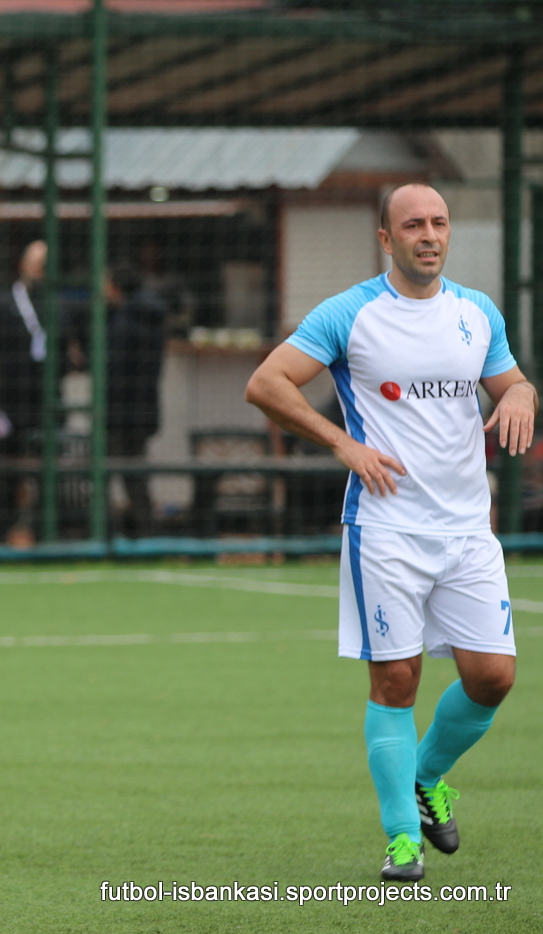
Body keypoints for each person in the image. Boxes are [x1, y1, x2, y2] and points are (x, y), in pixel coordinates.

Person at [246, 183, 535, 882]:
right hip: (386, 528)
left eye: (439, 223)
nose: (429, 235)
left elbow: (512, 383)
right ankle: (403, 841)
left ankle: (425, 776)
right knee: (397, 679)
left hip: (468, 530)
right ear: (386, 238)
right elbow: (267, 383)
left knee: (493, 678)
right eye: (413, 225)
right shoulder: (350, 313)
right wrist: (343, 444)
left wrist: (523, 394)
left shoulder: (477, 312)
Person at [0, 240, 49, 544]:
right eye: (35, 263)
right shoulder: (2, 303)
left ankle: (45, 535)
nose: (39, 271)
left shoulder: (54, 305)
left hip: (46, 401)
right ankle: (1, 534)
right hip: (9, 400)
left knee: (45, 470)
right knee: (6, 468)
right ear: (22, 265)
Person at [106, 264, 169, 536]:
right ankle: (145, 531)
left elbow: (113, 368)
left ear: (117, 287)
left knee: (109, 474)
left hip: (119, 412)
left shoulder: (123, 322)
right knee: (135, 476)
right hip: (144, 409)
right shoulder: (152, 317)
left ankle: (109, 534)